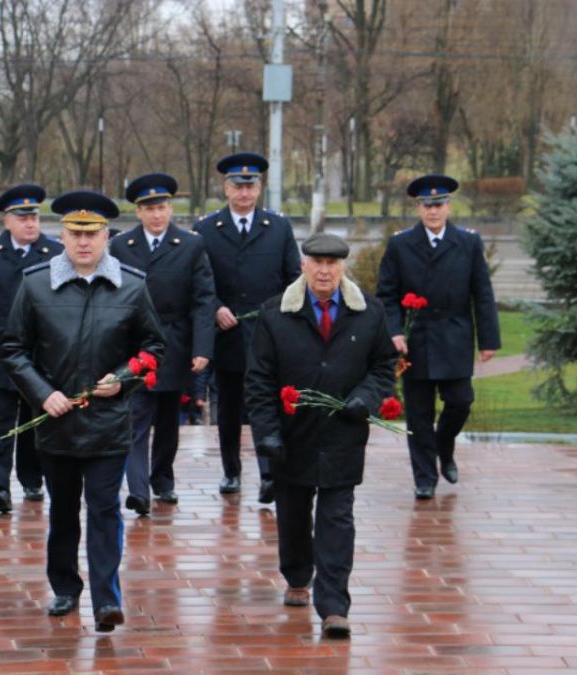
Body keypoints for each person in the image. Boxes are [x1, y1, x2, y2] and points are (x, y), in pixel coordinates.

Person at [2, 190, 165, 632]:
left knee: (104, 508)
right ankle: (65, 586)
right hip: (56, 421)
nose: (84, 242)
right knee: (62, 509)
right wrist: (42, 394)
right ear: (62, 236)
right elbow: (13, 349)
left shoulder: (131, 285)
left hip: (109, 424)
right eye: (75, 234)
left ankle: (106, 599)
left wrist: (124, 377)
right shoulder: (35, 283)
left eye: (92, 234)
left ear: (107, 236)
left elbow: (152, 347)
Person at [246, 232, 397, 639]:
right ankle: (297, 574)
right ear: (304, 266)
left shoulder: (368, 312)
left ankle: (334, 607)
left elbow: (384, 368)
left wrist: (365, 398)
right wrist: (267, 434)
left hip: (343, 435)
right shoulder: (276, 313)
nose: (325, 270)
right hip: (291, 438)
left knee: (337, 519)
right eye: (317, 262)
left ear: (342, 267)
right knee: (294, 515)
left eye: (332, 263)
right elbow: (258, 381)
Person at [375, 174, 500, 500]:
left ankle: (444, 446)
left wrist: (489, 339)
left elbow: (482, 293)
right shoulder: (401, 244)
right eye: (427, 205)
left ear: (448, 206)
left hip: (455, 337)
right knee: (418, 413)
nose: (433, 211)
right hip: (416, 341)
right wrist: (394, 331)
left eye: (439, 204)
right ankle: (425, 477)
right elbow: (386, 294)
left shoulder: (468, 242)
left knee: (461, 401)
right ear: (418, 207)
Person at [193, 151, 300, 503]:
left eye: (250, 185)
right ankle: (231, 471)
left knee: (267, 405)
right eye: (237, 185)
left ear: (260, 188)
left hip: (268, 334)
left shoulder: (278, 227)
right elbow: (199, 283)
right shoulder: (207, 229)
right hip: (227, 333)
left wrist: (277, 315)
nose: (244, 192)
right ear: (225, 188)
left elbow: (292, 280)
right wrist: (217, 308)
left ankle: (270, 474)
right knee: (228, 406)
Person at [110, 173, 216, 514]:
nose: (157, 215)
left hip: (175, 343)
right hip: (134, 343)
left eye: (162, 207)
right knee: (136, 417)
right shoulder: (120, 246)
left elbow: (203, 300)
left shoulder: (190, 244)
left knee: (169, 419)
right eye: (149, 209)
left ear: (170, 209)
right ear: (138, 212)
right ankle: (138, 490)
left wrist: (202, 348)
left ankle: (162, 480)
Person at [0, 184, 64, 513]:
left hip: (40, 353)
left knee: (36, 420)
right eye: (22, 218)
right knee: (1, 422)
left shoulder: (55, 253)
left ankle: (32, 480)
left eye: (34, 217)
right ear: (7, 221)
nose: (30, 223)